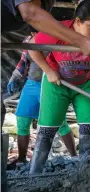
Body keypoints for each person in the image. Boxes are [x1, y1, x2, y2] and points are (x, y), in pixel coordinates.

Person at [1, 0, 90, 191]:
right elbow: (30, 18)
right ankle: (26, 163)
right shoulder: (49, 30)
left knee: (60, 123)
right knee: (25, 118)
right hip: (36, 81)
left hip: (57, 82)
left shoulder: (53, 23)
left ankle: (75, 157)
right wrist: (18, 75)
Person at [28, 0, 90, 174]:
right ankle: (35, 173)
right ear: (78, 21)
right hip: (57, 83)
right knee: (47, 130)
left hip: (86, 84)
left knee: (88, 128)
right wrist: (48, 70)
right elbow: (32, 47)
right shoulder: (59, 30)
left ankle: (86, 174)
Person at [6, 33, 77, 170]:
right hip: (31, 83)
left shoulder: (58, 39)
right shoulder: (28, 39)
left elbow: (67, 62)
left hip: (51, 83)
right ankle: (22, 160)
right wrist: (14, 77)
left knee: (59, 121)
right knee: (22, 119)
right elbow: (23, 61)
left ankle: (75, 156)